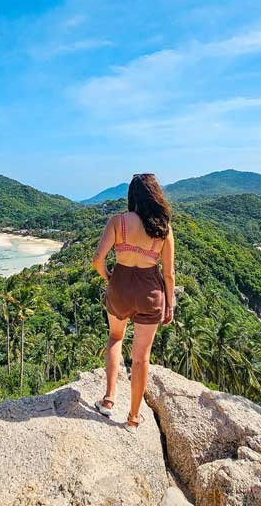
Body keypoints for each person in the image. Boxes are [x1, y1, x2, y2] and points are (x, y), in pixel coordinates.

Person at [91, 173, 175, 432]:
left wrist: (110, 277)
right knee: (141, 358)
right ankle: (133, 418)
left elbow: (97, 259)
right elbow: (169, 274)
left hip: (121, 286)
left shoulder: (118, 222)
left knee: (116, 338)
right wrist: (170, 304)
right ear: (156, 196)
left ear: (132, 197)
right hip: (150, 291)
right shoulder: (163, 229)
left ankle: (108, 400)